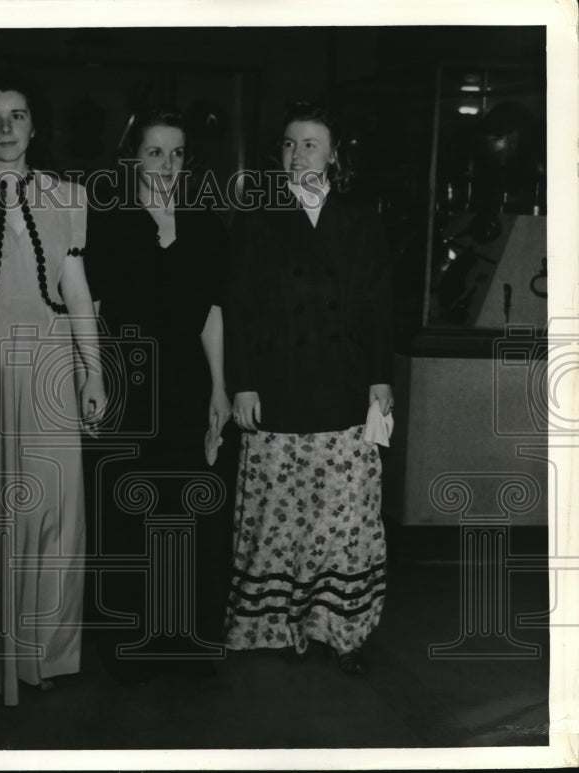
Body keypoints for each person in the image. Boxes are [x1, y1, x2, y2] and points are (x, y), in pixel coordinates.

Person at [0, 76, 105, 706]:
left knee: (51, 507)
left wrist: (93, 371)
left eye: (17, 116)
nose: (6, 128)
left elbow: (78, 294)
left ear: (35, 126)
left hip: (48, 361)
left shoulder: (68, 195)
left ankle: (42, 656)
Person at [223, 102, 394, 675]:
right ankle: (269, 627)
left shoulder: (361, 218)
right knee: (278, 514)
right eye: (290, 146)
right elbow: (240, 312)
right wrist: (242, 383)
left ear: (334, 153)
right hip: (278, 387)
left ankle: (341, 628)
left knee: (341, 517)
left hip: (344, 388)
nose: (299, 156)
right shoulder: (257, 218)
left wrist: (379, 378)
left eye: (311, 145)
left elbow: (377, 306)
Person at [84, 106, 234, 685]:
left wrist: (218, 388)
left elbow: (212, 313)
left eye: (177, 153)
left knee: (185, 509)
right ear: (132, 158)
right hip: (126, 378)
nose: (166, 164)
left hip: (186, 384)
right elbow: (92, 309)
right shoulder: (110, 219)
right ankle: (125, 639)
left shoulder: (204, 224)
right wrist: (92, 377)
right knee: (127, 507)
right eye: (154, 152)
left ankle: (182, 639)